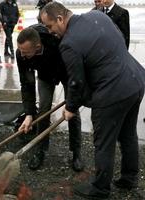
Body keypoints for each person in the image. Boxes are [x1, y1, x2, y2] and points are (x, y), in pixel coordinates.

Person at [40, 2, 145, 199]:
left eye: (49, 26)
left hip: (114, 92)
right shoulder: (98, 16)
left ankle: (100, 190)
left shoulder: (68, 43)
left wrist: (71, 107)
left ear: (60, 19)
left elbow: (76, 82)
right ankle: (129, 179)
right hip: (136, 81)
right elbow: (120, 40)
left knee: (103, 143)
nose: (50, 31)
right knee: (128, 134)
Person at [16, 24, 84, 172]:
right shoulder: (21, 53)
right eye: (21, 51)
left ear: (38, 46)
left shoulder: (56, 41)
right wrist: (29, 113)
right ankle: (40, 150)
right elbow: (26, 84)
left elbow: (76, 69)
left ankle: (76, 152)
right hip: (44, 75)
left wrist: (71, 103)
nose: (22, 55)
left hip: (66, 73)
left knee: (72, 112)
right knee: (43, 110)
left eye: (26, 52)